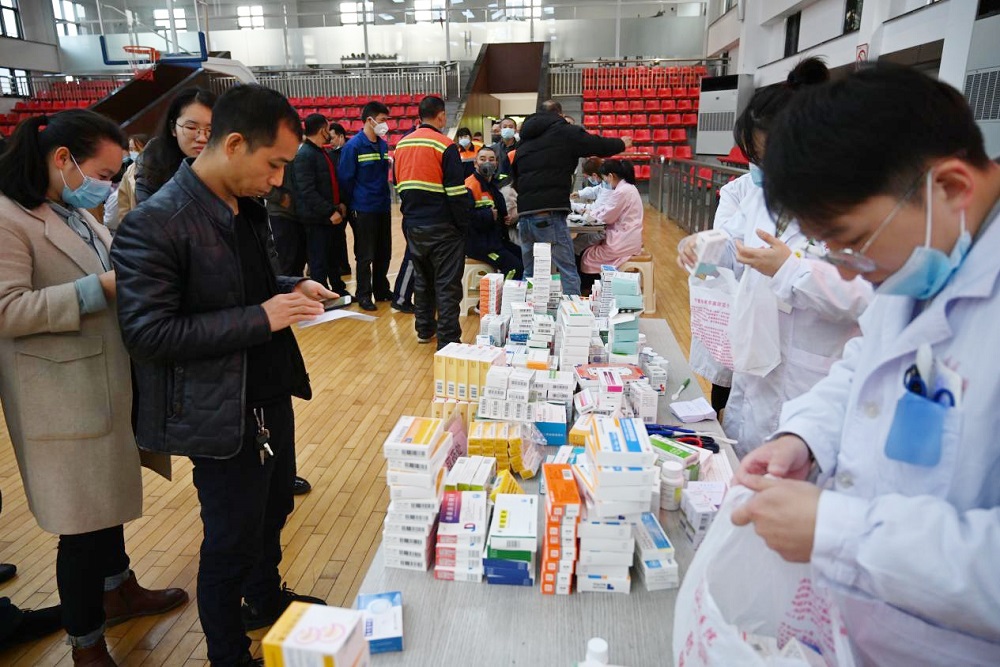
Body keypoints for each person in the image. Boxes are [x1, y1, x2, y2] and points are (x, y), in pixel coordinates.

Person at [732, 63, 1000, 666]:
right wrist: (806, 438)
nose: (848, 269)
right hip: (859, 632)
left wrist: (841, 532)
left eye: (852, 242)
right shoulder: (930, 250)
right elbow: (865, 367)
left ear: (950, 186)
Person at [112, 85, 331, 667]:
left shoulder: (245, 207)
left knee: (275, 509)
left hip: (266, 390)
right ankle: (228, 653)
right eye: (274, 165)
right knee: (230, 539)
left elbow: (244, 286)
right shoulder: (156, 223)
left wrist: (292, 287)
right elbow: (148, 334)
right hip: (217, 409)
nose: (278, 181)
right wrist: (261, 317)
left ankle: (264, 598)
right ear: (233, 144)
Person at [0, 110, 188, 666]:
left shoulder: (69, 210)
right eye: (103, 175)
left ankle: (119, 588)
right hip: (60, 394)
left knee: (107, 501)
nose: (108, 185)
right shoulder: (9, 218)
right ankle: (86, 644)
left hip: (103, 380)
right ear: (63, 160)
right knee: (81, 525)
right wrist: (99, 288)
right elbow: (7, 310)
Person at [513, 100, 630, 295]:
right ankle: (573, 309)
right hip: (549, 212)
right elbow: (596, 145)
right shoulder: (563, 131)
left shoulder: (525, 139)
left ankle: (525, 310)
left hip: (525, 214)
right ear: (559, 114)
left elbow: (515, 175)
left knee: (530, 271)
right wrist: (621, 143)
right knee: (567, 269)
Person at [393, 96, 471, 348]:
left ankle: (425, 330)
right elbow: (456, 193)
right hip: (443, 226)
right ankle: (448, 340)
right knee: (447, 285)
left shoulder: (402, 145)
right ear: (440, 116)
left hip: (413, 224)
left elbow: (397, 184)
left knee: (423, 279)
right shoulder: (444, 145)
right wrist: (462, 226)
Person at [338, 101, 392, 311]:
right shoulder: (353, 146)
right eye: (382, 120)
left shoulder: (382, 144)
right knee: (365, 255)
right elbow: (345, 179)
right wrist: (350, 205)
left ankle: (381, 289)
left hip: (382, 206)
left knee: (384, 252)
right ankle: (364, 294)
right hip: (363, 208)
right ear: (369, 120)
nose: (385, 124)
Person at [291, 114, 350, 297]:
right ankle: (320, 298)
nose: (329, 133)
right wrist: (329, 211)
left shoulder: (320, 152)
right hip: (316, 219)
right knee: (319, 261)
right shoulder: (305, 155)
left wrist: (339, 203)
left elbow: (330, 183)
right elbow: (307, 191)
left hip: (329, 216)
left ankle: (338, 290)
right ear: (322, 130)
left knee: (333, 258)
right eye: (327, 129)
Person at [135, 88, 216, 204]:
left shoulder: (230, 167)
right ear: (173, 128)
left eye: (210, 129)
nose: (202, 138)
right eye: (191, 128)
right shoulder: (153, 167)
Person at [577, 159, 644, 293]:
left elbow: (607, 216)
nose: (605, 182)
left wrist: (589, 214)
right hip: (627, 237)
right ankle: (592, 289)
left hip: (623, 241)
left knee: (587, 255)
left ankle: (590, 290)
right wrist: (592, 212)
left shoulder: (622, 191)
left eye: (605, 179)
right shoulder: (627, 188)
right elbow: (607, 209)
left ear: (611, 176)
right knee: (587, 247)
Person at [465, 146, 523, 279]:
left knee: (523, 256)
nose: (487, 162)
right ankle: (504, 292)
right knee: (514, 267)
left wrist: (504, 219)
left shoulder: (493, 186)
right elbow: (464, 217)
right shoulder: (470, 186)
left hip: (495, 241)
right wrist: (488, 215)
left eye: (491, 159)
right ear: (475, 163)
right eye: (483, 159)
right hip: (479, 245)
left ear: (496, 163)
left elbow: (498, 212)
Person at [327, 122, 352, 277]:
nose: (330, 141)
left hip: (355, 202)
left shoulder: (352, 150)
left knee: (361, 238)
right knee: (338, 236)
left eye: (332, 138)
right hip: (339, 203)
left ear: (341, 136)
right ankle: (343, 266)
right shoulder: (330, 156)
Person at [111, 133, 148, 231]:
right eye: (131, 149)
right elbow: (124, 206)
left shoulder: (159, 166)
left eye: (137, 149)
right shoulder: (129, 171)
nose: (133, 153)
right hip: (138, 226)